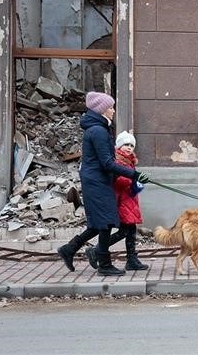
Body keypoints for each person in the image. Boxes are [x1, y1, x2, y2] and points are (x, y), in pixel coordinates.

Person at [57, 91, 149, 276]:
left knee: (100, 223)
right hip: (97, 181)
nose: (113, 111)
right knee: (106, 223)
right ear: (101, 110)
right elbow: (107, 162)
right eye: (110, 107)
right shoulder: (98, 130)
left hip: (98, 180)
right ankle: (104, 264)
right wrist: (134, 174)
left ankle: (69, 249)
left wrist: (133, 176)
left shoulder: (98, 128)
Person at [85, 131, 149, 271]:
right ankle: (97, 251)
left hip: (129, 201)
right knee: (124, 231)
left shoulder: (130, 162)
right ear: (119, 145)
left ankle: (131, 259)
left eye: (131, 145)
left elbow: (132, 187)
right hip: (120, 202)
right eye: (126, 144)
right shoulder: (117, 161)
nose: (129, 148)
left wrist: (139, 184)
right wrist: (135, 180)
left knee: (130, 231)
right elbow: (119, 181)